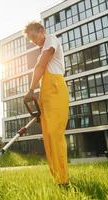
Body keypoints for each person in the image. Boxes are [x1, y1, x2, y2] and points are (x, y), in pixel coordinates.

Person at [23, 21, 70, 187]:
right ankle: (57, 178)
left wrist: (30, 90)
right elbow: (40, 66)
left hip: (56, 89)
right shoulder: (42, 48)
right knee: (48, 137)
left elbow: (41, 65)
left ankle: (63, 179)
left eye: (35, 37)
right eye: (32, 40)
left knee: (55, 134)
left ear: (42, 31)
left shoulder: (51, 39)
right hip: (46, 94)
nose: (35, 42)